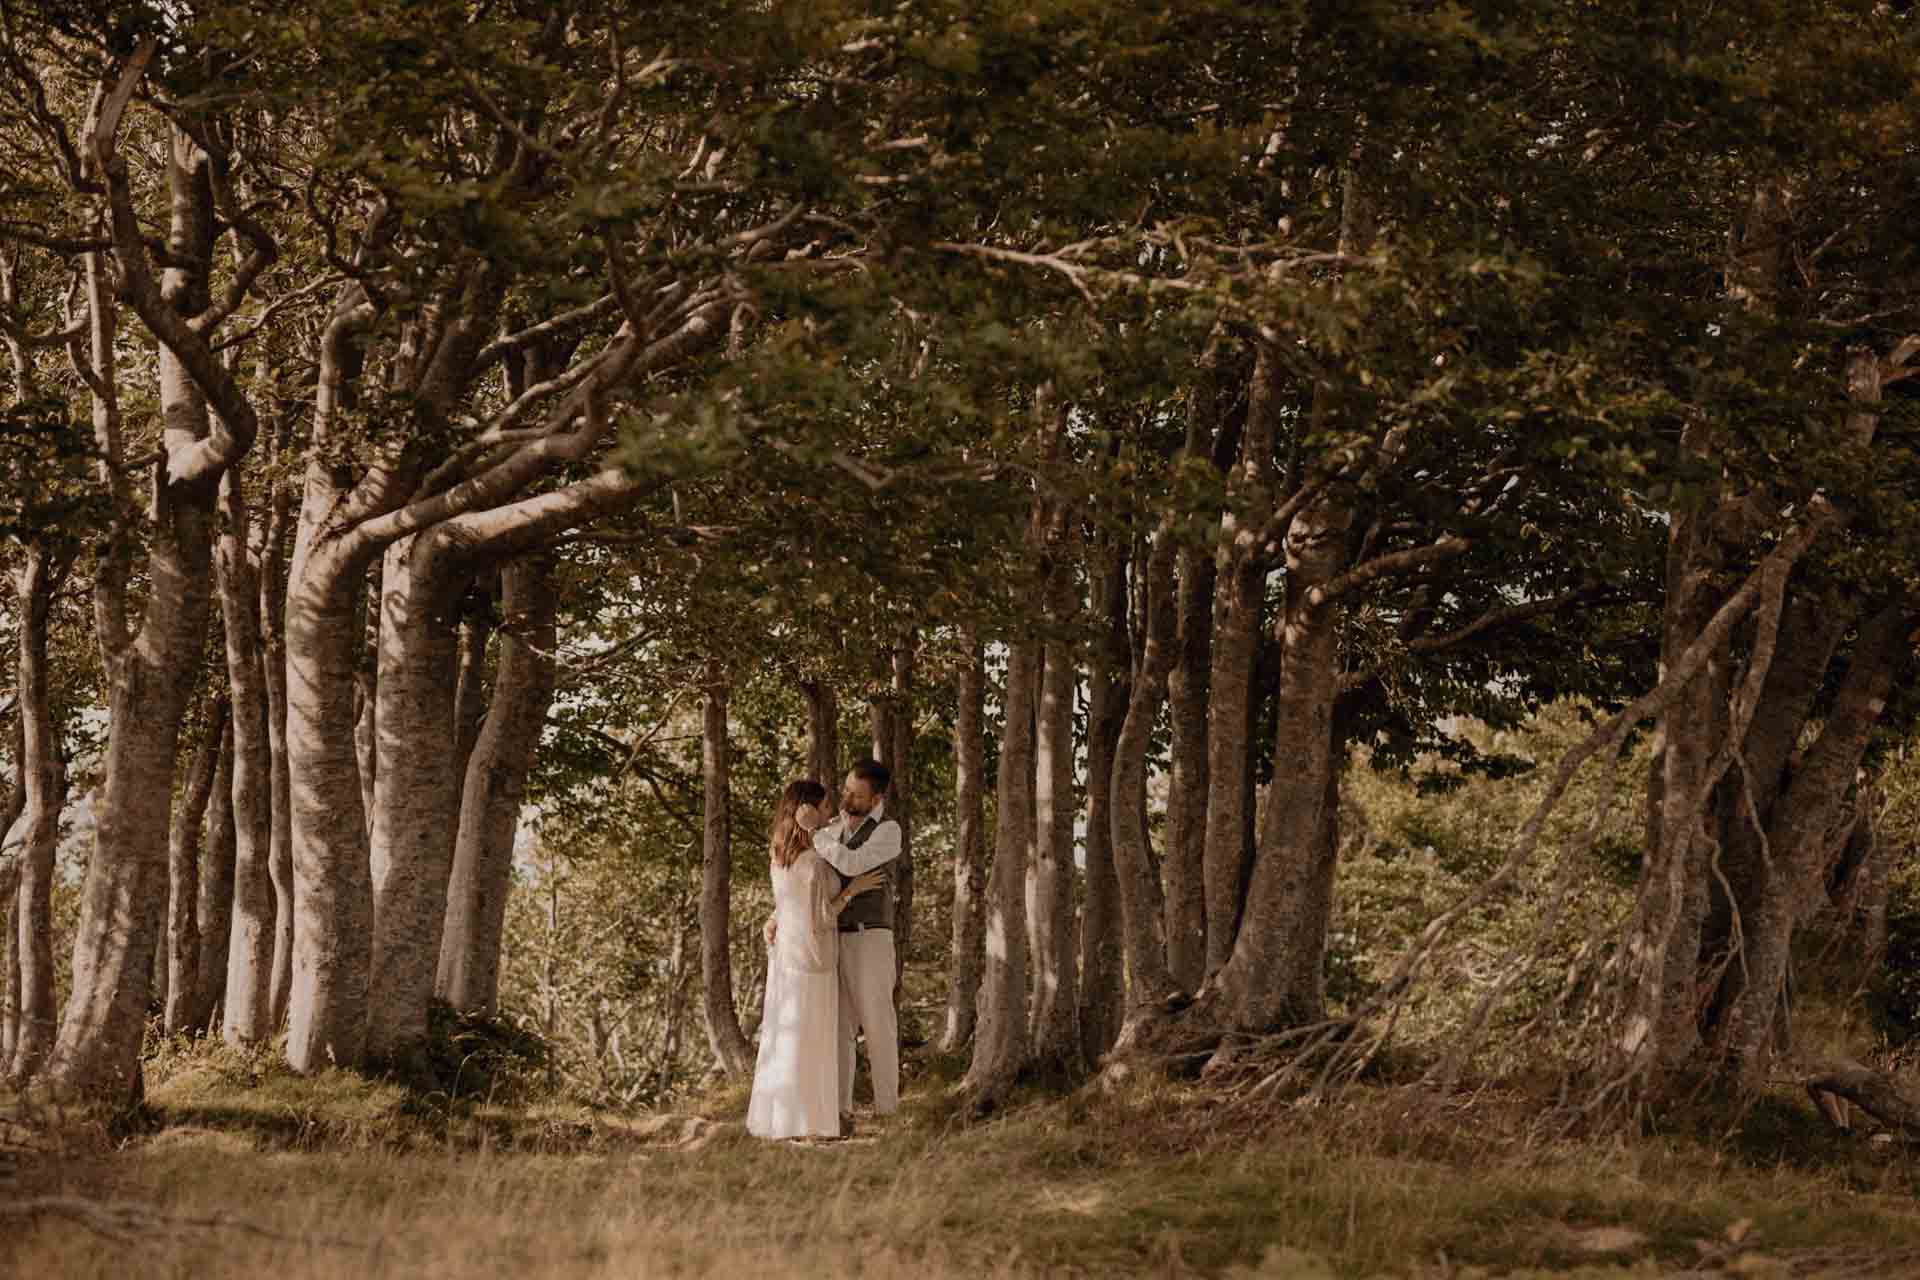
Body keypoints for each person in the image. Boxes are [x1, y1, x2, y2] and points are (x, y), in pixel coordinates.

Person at [746, 779, 884, 1140]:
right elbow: (823, 917)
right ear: (806, 810)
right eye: (823, 808)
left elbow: (787, 902)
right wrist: (852, 890)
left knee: (787, 1037)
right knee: (813, 1038)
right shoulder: (814, 861)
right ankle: (811, 1121)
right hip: (813, 956)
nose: (829, 814)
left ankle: (784, 1118)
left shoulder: (779, 854)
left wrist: (773, 919)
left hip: (786, 956)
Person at [802, 758, 902, 1121]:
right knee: (839, 1028)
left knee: (877, 1024)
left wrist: (816, 836)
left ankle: (887, 1109)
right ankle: (840, 1110)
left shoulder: (889, 831)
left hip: (870, 939)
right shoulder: (832, 828)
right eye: (845, 790)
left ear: (876, 799)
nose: (846, 798)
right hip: (834, 938)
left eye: (856, 794)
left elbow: (853, 864)